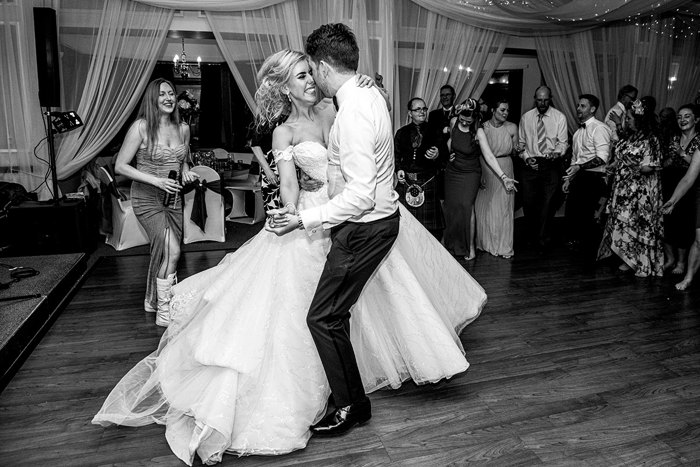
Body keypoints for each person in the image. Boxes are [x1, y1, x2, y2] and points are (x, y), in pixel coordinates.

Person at [93, 43, 487, 466]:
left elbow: (367, 130)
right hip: (314, 220)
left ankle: (351, 393)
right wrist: (289, 215)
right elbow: (290, 186)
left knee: (350, 307)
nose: (310, 81)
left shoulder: (339, 109)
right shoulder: (283, 132)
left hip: (353, 217)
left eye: (310, 72)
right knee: (307, 312)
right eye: (300, 76)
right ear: (285, 87)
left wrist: (372, 87)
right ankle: (334, 391)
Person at [114, 78, 198, 327]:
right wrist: (156, 181)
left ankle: (152, 300)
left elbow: (183, 160)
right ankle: (164, 311)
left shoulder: (183, 128)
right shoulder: (141, 127)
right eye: (162, 94)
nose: (168, 98)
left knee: (162, 251)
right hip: (146, 198)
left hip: (173, 198)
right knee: (173, 250)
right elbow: (121, 166)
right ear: (153, 98)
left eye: (171, 93)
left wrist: (185, 172)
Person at [443, 99, 518, 261]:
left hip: (470, 173)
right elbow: (451, 141)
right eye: (462, 118)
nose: (464, 122)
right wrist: (449, 154)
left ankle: (470, 247)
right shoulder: (453, 121)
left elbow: (489, 156)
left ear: (475, 118)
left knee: (466, 206)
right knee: (452, 207)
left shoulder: (479, 131)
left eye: (468, 121)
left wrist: (504, 177)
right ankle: (451, 243)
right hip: (453, 172)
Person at [598, 96, 664, 277]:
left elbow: (648, 167)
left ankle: (635, 260)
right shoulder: (630, 136)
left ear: (640, 119)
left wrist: (627, 163)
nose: (625, 121)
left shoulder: (651, 140)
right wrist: (615, 165)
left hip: (638, 192)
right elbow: (621, 153)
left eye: (628, 118)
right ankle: (623, 256)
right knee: (621, 222)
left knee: (633, 223)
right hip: (622, 188)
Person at [517, 85, 568, 253]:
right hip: (530, 164)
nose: (542, 103)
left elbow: (563, 143)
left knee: (547, 203)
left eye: (546, 100)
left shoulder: (559, 117)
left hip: (550, 163)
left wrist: (557, 153)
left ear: (550, 98)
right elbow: (520, 144)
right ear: (535, 98)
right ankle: (531, 237)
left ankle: (543, 238)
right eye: (539, 100)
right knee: (529, 202)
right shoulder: (526, 118)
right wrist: (526, 157)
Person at [562, 94, 611, 261]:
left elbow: (602, 158)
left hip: (594, 179)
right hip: (579, 178)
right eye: (578, 106)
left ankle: (591, 256)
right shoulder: (577, 133)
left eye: (582, 106)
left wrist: (579, 167)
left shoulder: (600, 128)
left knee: (591, 219)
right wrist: (569, 179)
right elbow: (575, 159)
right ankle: (579, 254)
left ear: (592, 109)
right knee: (575, 217)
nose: (578, 109)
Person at [394, 97, 444, 239]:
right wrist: (399, 170)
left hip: (428, 181)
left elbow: (445, 156)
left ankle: (430, 257)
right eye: (418, 109)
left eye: (424, 108)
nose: (422, 112)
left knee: (431, 231)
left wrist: (437, 154)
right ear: (410, 113)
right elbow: (396, 156)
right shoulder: (401, 133)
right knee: (406, 224)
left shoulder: (435, 131)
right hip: (407, 182)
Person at [662, 103, 700, 290]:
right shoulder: (673, 137)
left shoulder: (699, 140)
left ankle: (682, 263)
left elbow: (693, 167)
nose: (682, 120)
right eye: (679, 117)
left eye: (687, 116)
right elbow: (667, 161)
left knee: (685, 225)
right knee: (668, 222)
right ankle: (671, 259)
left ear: (696, 119)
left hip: (692, 188)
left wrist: (681, 153)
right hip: (672, 182)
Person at [474, 98, 518, 258]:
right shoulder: (483, 128)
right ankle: (485, 243)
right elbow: (479, 152)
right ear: (493, 110)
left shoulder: (512, 127)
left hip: (506, 165)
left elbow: (515, 150)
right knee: (486, 207)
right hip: (486, 167)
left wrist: (519, 150)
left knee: (504, 208)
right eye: (502, 110)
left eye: (507, 110)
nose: (506, 113)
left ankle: (503, 246)